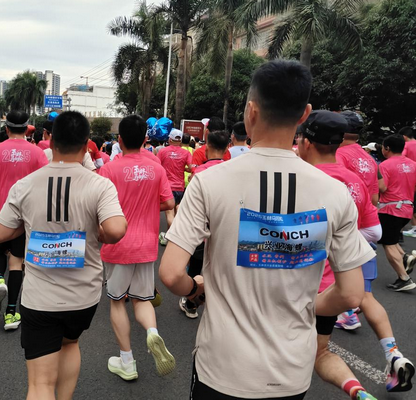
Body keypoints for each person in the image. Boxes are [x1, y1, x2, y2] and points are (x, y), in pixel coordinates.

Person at [159, 60, 374, 400]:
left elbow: (171, 274)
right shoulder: (335, 193)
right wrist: (305, 306)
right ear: (304, 115)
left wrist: (195, 288)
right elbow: (350, 295)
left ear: (251, 111)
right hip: (292, 371)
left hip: (222, 366)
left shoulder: (209, 181)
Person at [0, 111, 127, 400]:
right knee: (70, 343)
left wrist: (29, 225)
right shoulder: (99, 184)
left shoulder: (25, 185)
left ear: (50, 142)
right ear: (86, 144)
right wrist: (96, 233)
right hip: (83, 296)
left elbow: (0, 234)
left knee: (40, 385)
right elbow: (116, 229)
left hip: (39, 298)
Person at [297, 110, 413, 397]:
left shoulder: (301, 178)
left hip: (297, 286)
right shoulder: (359, 171)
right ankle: (365, 384)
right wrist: (343, 244)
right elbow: (374, 231)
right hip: (339, 284)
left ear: (306, 142)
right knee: (321, 351)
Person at [99, 115, 175, 381]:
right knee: (142, 300)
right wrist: (148, 203)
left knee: (117, 301)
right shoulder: (156, 168)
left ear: (119, 140)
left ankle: (127, 362)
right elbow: (168, 203)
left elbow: (98, 207)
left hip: (117, 244)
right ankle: (153, 333)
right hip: (146, 245)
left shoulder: (109, 170)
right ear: (145, 139)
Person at [0, 110, 48, 330]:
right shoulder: (37, 152)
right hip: (25, 217)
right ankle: (10, 313)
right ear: (26, 129)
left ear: (6, 129)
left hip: (0, 214)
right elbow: (46, 180)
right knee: (17, 263)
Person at [179, 130, 230, 319]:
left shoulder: (199, 173)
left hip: (201, 232)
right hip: (225, 232)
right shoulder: (233, 172)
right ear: (227, 149)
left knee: (195, 268)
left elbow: (190, 208)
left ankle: (191, 304)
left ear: (206, 147)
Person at [377, 134, 416, 291]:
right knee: (392, 240)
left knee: (388, 244)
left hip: (390, 209)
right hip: (407, 208)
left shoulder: (384, 165)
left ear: (387, 148)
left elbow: (382, 187)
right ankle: (405, 258)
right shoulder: (413, 164)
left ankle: (404, 278)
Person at [335, 111, 379, 207]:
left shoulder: (337, 156)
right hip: (364, 213)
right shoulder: (370, 159)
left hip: (345, 213)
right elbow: (374, 199)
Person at [157, 129, 192, 246]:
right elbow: (191, 167)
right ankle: (170, 237)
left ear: (170, 139)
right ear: (180, 140)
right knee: (177, 215)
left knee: (169, 214)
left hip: (167, 187)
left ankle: (176, 238)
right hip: (180, 187)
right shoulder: (186, 153)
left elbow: (157, 167)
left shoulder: (162, 151)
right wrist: (184, 168)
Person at [399, 127, 416, 237]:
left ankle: (414, 228)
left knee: (411, 201)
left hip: (411, 175)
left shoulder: (406, 145)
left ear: (404, 137)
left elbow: (400, 157)